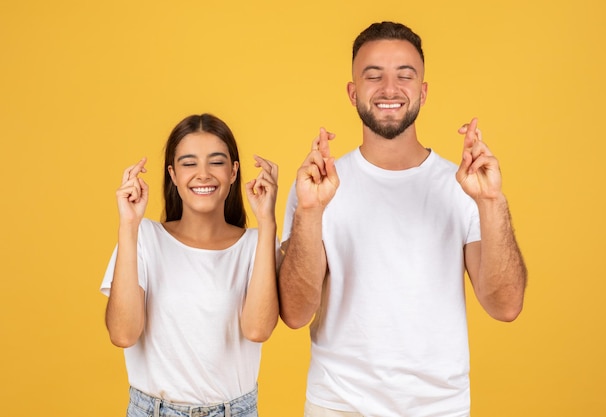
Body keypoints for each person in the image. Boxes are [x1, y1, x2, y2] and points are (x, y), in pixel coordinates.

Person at [278, 22, 527, 417]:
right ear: (352, 92)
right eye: (373, 75)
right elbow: (294, 314)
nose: (389, 89)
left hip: (439, 408)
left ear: (423, 92)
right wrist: (310, 212)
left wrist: (491, 202)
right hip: (338, 406)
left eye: (404, 76)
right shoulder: (317, 188)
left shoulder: (462, 188)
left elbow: (505, 305)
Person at [100, 113, 279, 417]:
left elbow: (258, 329)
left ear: (234, 171)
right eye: (189, 163)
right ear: (172, 174)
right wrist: (128, 226)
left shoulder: (256, 244)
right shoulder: (144, 237)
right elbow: (123, 334)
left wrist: (268, 221)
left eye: (217, 162)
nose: (203, 174)